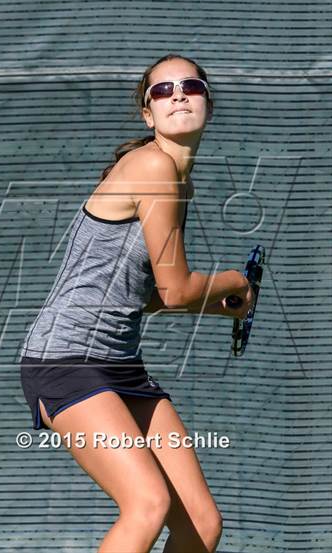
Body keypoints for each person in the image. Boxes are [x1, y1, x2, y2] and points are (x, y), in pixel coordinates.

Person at [20, 53, 254, 553]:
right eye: (163, 90)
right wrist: (237, 281)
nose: (179, 95)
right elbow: (176, 288)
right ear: (148, 114)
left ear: (208, 101)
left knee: (199, 525)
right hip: (65, 360)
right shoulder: (152, 165)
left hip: (118, 363)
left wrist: (221, 305)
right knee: (148, 504)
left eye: (190, 85)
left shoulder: (176, 179)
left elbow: (143, 296)